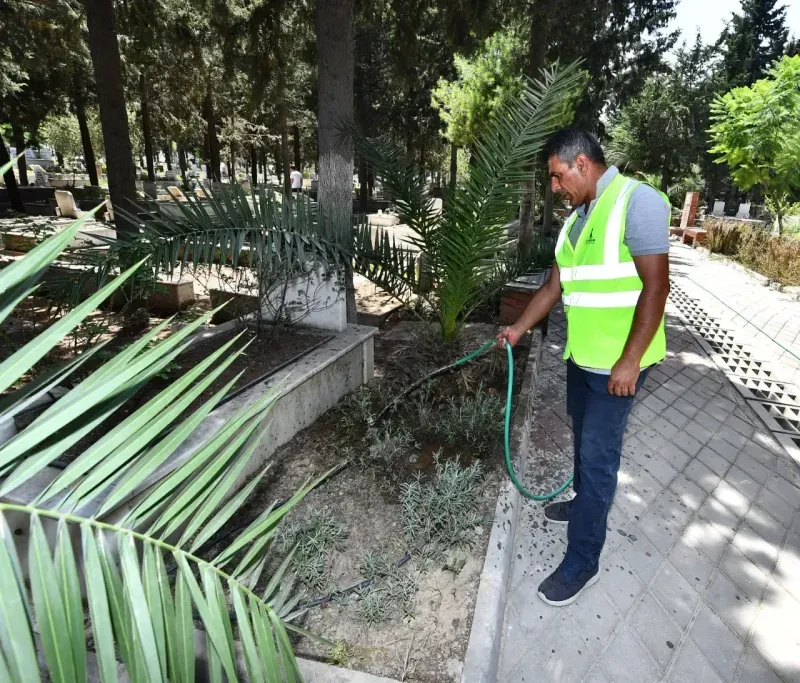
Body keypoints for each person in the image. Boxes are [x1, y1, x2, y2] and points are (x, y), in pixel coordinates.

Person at [497, 128, 671, 606]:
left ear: (581, 163)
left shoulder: (638, 202)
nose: (554, 187)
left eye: (556, 176)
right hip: (582, 357)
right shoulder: (575, 222)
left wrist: (630, 360)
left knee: (597, 461)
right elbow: (554, 288)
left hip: (619, 366)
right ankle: (581, 509)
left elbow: (657, 289)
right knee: (581, 440)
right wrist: (518, 329)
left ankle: (582, 562)